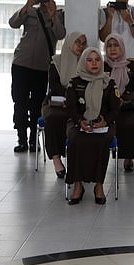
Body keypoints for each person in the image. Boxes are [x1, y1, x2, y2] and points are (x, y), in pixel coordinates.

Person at [9, 0, 66, 153]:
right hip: (21, 63)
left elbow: (61, 34)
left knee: (37, 104)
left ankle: (34, 139)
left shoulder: (60, 14)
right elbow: (13, 23)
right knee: (19, 102)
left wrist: (53, 15)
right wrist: (26, 6)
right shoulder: (30, 12)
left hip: (43, 66)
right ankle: (21, 138)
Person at [65, 48, 120, 205]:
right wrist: (80, 121)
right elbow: (71, 107)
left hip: (103, 124)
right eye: (89, 60)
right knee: (75, 140)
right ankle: (77, 185)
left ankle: (99, 185)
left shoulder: (108, 83)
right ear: (83, 62)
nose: (94, 63)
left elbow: (115, 109)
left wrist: (105, 121)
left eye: (97, 59)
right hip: (79, 123)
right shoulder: (74, 82)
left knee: (101, 141)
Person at [42, 32, 87, 178]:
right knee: (54, 118)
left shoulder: (87, 61)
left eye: (83, 43)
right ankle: (56, 159)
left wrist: (74, 99)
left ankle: (79, 159)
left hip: (79, 102)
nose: (80, 46)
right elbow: (54, 86)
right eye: (77, 42)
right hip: (57, 101)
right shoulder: (56, 61)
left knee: (81, 117)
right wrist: (69, 96)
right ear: (69, 43)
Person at [104, 33, 134, 172]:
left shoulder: (132, 64)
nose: (113, 49)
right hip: (109, 106)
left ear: (122, 47)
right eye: (109, 46)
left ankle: (129, 156)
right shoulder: (103, 66)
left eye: (116, 45)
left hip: (131, 105)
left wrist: (128, 98)